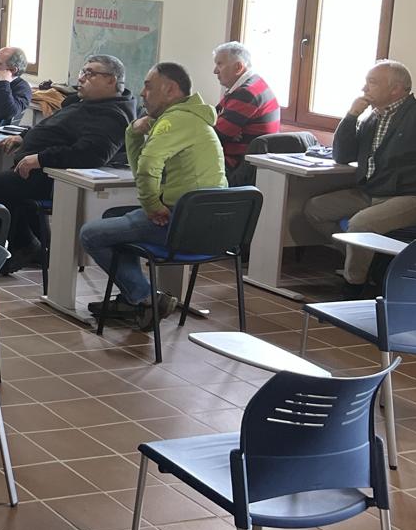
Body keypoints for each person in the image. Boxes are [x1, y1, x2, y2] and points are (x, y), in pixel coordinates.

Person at [305, 60, 416, 287]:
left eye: (372, 82)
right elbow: (342, 155)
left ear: (396, 89)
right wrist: (351, 116)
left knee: (360, 224)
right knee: (315, 209)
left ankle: (354, 283)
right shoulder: (373, 118)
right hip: (372, 192)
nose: (364, 88)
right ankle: (369, 263)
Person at [80, 62, 225, 325]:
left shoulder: (174, 120)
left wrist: (151, 206)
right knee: (114, 216)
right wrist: (133, 133)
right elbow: (142, 170)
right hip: (208, 225)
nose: (142, 93)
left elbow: (147, 168)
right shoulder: (194, 118)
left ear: (170, 90)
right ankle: (134, 301)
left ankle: (146, 298)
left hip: (179, 224)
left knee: (90, 234)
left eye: (148, 87)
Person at [0, 55, 136, 272]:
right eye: (82, 72)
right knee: (8, 189)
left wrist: (40, 158)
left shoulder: (113, 114)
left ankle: (27, 245)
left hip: (56, 176)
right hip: (39, 168)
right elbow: (56, 128)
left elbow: (91, 154)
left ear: (111, 80)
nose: (81, 78)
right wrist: (24, 137)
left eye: (90, 74)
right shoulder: (91, 103)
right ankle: (38, 247)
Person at [211, 41, 280, 183]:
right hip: (238, 162)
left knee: (181, 165)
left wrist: (220, 127)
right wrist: (222, 126)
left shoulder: (246, 93)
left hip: (236, 166)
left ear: (238, 67)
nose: (215, 71)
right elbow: (212, 114)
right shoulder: (250, 84)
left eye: (220, 64)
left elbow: (215, 135)